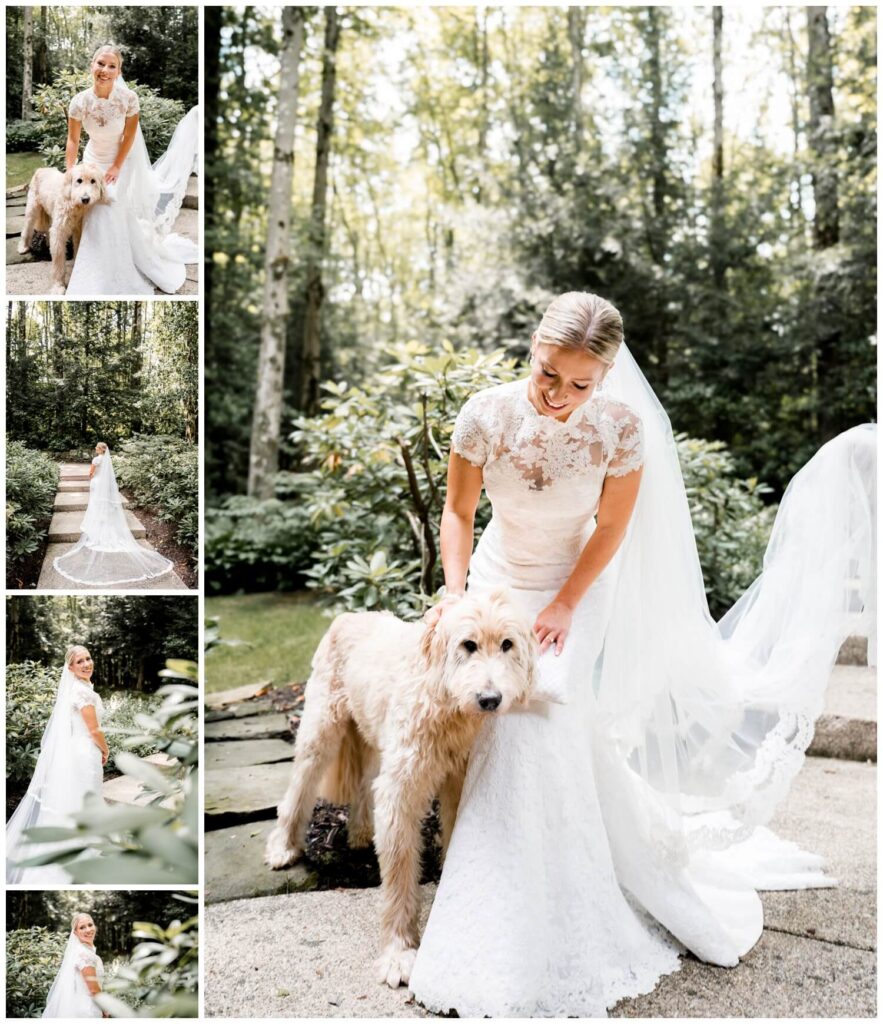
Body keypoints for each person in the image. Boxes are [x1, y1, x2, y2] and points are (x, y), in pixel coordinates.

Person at [407, 291, 876, 1016]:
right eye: (547, 376)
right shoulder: (484, 415)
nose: (560, 396)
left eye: (579, 384)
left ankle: (552, 911)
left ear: (604, 376)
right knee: (515, 736)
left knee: (541, 725)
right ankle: (530, 884)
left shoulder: (619, 430)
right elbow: (458, 510)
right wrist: (456, 589)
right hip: (498, 583)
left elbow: (609, 528)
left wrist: (564, 603)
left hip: (576, 589)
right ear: (532, 350)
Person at [62, 44, 199, 295]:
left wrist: (116, 166)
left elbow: (130, 135)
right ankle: (96, 265)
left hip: (119, 161)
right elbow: (73, 139)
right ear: (92, 65)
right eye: (100, 63)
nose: (105, 70)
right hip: (92, 161)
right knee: (94, 213)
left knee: (109, 206)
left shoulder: (128, 99)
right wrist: (71, 172)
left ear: (119, 71)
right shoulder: (79, 101)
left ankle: (116, 269)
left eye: (111, 66)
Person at [6, 646, 108, 884]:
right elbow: (93, 729)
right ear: (70, 668)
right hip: (85, 753)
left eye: (88, 658)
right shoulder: (82, 692)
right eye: (79, 661)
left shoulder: (79, 689)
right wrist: (105, 748)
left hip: (79, 750)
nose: (86, 664)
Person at [53, 442, 174, 587]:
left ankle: (97, 522)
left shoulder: (96, 459)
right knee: (103, 503)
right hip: (105, 486)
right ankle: (103, 520)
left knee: (95, 504)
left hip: (97, 483)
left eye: (97, 447)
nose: (95, 448)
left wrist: (91, 478)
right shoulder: (107, 460)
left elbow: (91, 473)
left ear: (101, 450)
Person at [42, 912, 107, 1019]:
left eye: (90, 925)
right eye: (82, 927)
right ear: (75, 933)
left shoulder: (81, 951)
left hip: (81, 1006)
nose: (88, 930)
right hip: (88, 1010)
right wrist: (105, 1008)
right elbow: (94, 989)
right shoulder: (85, 954)